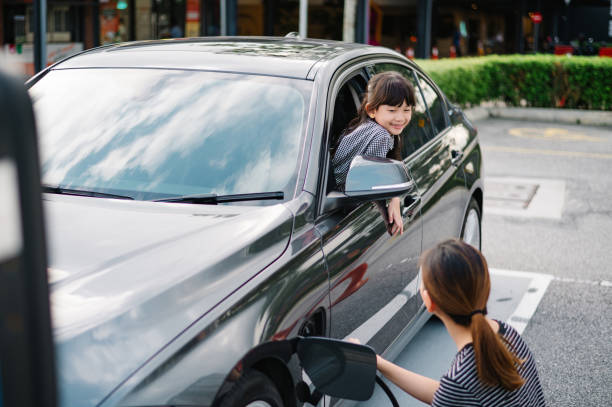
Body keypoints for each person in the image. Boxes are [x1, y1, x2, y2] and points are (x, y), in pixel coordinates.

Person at [373, 239, 546, 406]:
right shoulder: (506, 333)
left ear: (429, 301)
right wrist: (380, 364)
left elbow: (454, 393)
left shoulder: (460, 382)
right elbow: (450, 394)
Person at [332, 71, 416, 236]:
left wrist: (395, 199)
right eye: (392, 110)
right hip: (343, 198)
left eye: (407, 110)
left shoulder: (364, 126)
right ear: (372, 110)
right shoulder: (381, 135)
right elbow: (371, 181)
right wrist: (393, 197)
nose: (400, 118)